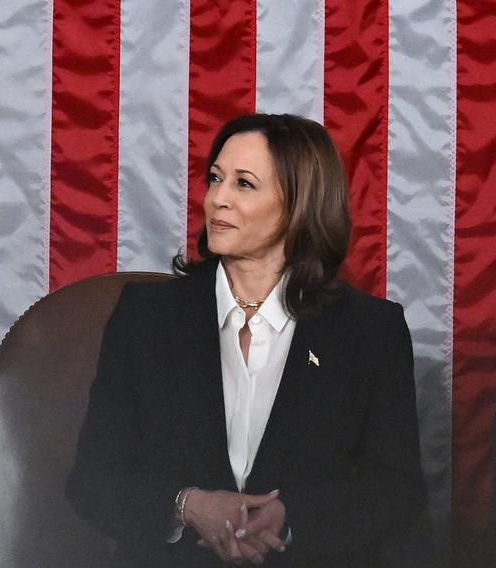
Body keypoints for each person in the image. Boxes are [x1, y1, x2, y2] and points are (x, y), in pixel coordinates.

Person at [66, 113, 427, 567]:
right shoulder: (145, 317)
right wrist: (187, 505)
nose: (217, 199)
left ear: (300, 203)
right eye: (215, 178)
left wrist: (290, 518)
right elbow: (92, 480)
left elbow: (396, 491)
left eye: (244, 184)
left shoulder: (370, 332)